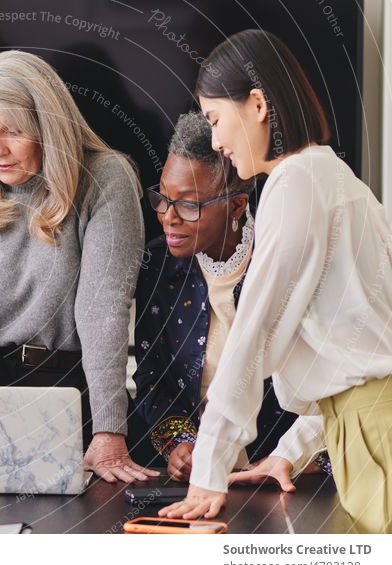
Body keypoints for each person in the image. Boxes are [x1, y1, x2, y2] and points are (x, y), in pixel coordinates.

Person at [158, 30, 392, 533]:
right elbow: (359, 361)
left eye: (217, 120)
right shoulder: (335, 178)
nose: (217, 142)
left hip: (376, 436)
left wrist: (210, 469)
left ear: (259, 104)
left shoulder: (294, 183)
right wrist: (291, 450)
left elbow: (255, 334)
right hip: (364, 430)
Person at [0, 50, 157, 484]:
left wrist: (109, 429)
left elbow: (103, 311)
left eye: (13, 132)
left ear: (47, 127)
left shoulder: (105, 178)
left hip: (71, 389)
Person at [134, 111, 330, 481]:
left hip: (291, 472)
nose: (168, 217)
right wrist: (183, 443)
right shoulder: (158, 264)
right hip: (204, 475)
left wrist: (290, 456)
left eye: (189, 205)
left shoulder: (284, 256)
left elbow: (327, 380)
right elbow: (151, 380)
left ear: (237, 206)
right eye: (162, 198)